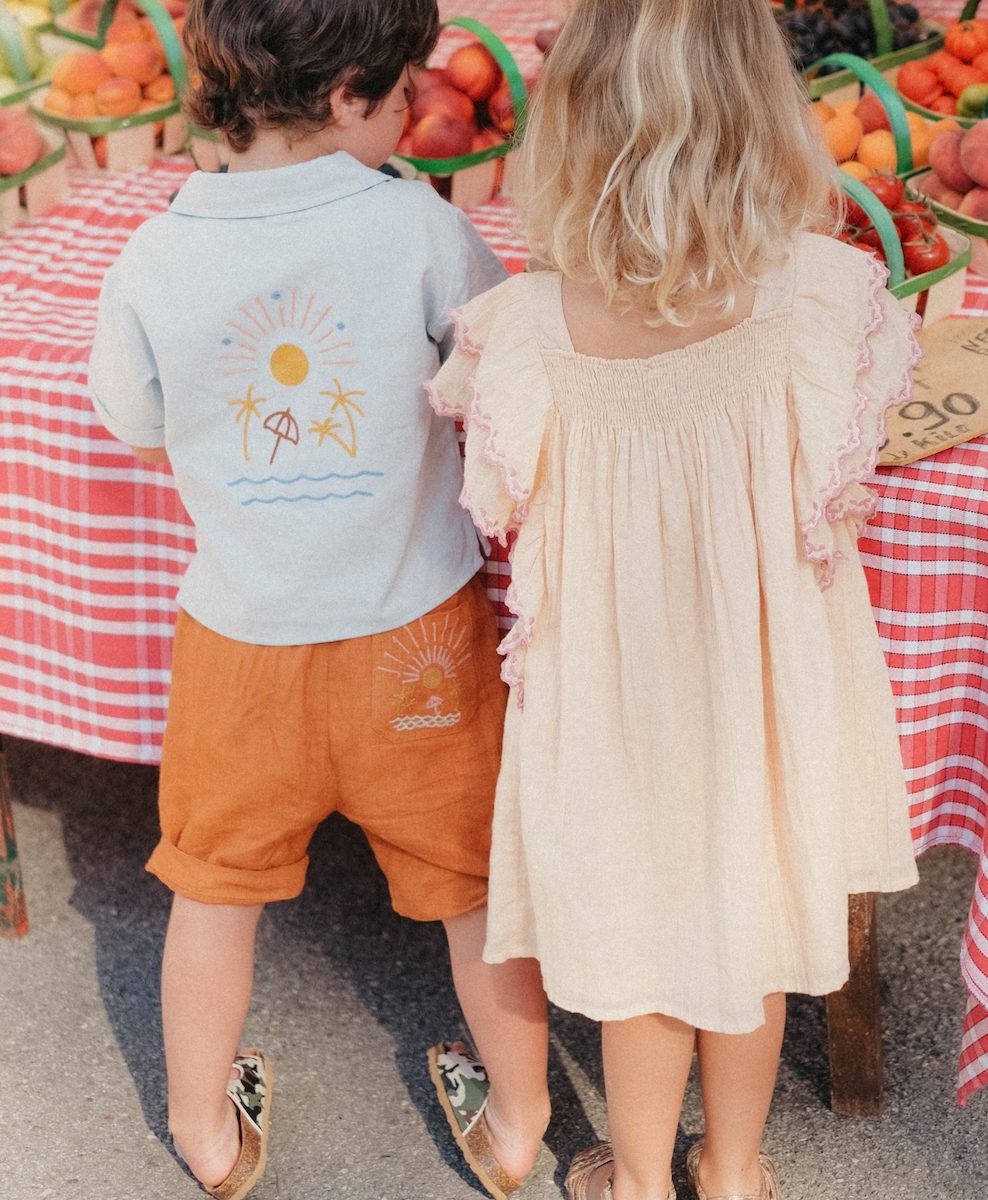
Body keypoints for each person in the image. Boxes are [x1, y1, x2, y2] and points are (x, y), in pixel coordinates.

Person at [428, 1, 923, 1197]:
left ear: (571, 129)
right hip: (761, 691)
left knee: (640, 947)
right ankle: (734, 1169)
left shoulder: (525, 333)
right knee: (749, 923)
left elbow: (493, 497)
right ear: (767, 116)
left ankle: (639, 1180)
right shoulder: (823, 299)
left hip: (612, 701)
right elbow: (855, 461)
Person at [87, 1, 549, 1197]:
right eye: (404, 90)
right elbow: (502, 372)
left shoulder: (151, 256)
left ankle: (205, 1133)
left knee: (211, 891)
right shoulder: (420, 225)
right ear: (349, 94)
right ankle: (518, 1125)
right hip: (418, 641)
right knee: (476, 894)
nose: (413, 111)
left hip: (243, 646)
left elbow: (135, 422)